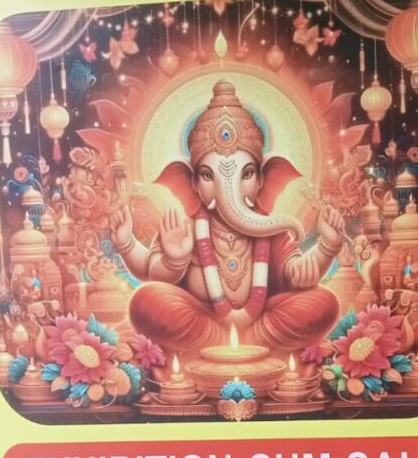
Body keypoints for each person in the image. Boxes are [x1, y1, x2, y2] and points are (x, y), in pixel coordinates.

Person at [116, 79, 342, 355]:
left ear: (264, 181)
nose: (227, 189)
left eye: (246, 174)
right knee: (146, 301)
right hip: (202, 318)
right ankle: (247, 344)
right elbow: (151, 273)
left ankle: (227, 343)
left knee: (322, 303)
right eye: (207, 175)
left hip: (261, 319)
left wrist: (325, 248)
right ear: (191, 184)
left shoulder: (270, 230)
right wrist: (171, 258)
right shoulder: (185, 228)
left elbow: (293, 272)